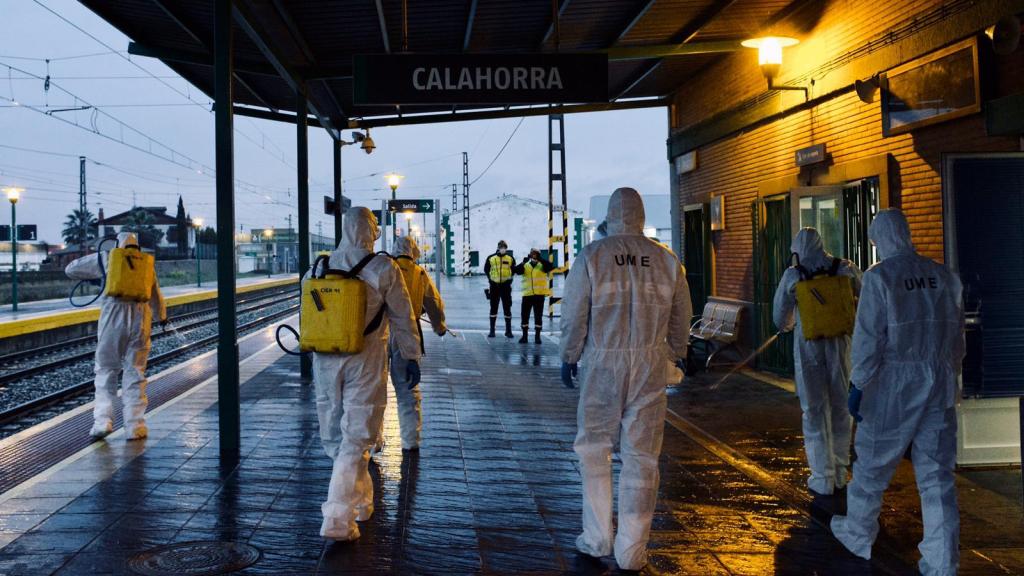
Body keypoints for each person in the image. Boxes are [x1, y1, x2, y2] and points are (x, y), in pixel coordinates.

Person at [560, 188, 692, 571]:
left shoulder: (592, 257)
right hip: (650, 363)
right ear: (640, 214)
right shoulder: (667, 261)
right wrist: (676, 352)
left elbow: (574, 314)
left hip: (602, 363)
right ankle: (632, 550)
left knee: (593, 449)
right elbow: (682, 316)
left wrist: (569, 355)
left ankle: (597, 537)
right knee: (642, 457)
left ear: (611, 216)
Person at [831, 209, 965, 575]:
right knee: (937, 474)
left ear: (882, 239)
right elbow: (957, 336)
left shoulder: (880, 278)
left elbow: (869, 341)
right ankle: (942, 561)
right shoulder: (942, 275)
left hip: (894, 382)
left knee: (873, 460)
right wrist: (951, 373)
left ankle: (858, 533)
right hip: (938, 379)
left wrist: (858, 385)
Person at [309, 207, 422, 542]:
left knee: (336, 435)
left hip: (326, 359)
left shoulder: (320, 264)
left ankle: (360, 503)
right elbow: (403, 316)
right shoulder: (383, 266)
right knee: (357, 436)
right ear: (371, 230)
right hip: (366, 357)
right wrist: (412, 355)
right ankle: (338, 518)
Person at [772, 228, 862, 495]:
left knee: (813, 408)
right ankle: (840, 471)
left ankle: (821, 477)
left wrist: (787, 326)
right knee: (840, 405)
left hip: (809, 344)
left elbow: (780, 317)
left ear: (798, 249)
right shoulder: (845, 268)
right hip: (841, 343)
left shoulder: (793, 274)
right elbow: (868, 296)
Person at [65, 232, 166, 440]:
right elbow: (156, 295)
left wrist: (101, 271)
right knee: (136, 372)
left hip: (113, 314)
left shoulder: (107, 257)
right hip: (140, 317)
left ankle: (103, 422)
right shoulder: (145, 263)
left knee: (106, 369)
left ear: (118, 244)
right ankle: (135, 426)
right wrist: (161, 317)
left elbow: (71, 269)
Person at [386, 235, 447, 451]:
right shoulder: (419, 273)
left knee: (371, 390)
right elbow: (434, 303)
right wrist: (439, 327)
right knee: (407, 390)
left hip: (380, 335)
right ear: (414, 251)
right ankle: (410, 441)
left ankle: (372, 441)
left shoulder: (384, 268)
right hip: (407, 334)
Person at [512, 248, 554, 343]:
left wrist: (541, 259)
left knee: (538, 316)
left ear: (538, 255)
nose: (534, 256)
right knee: (524, 316)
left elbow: (550, 267)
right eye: (532, 254)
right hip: (527, 295)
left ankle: (537, 337)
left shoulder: (542, 265)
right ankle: (524, 336)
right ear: (530, 255)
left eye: (536, 254)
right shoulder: (526, 265)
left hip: (539, 295)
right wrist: (522, 263)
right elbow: (516, 271)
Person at [484, 239, 515, 338]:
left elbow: (513, 270)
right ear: (498, 247)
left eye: (504, 247)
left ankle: (508, 331)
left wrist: (509, 280)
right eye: (501, 247)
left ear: (506, 248)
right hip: (494, 287)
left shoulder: (510, 258)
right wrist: (491, 280)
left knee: (507, 308)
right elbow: (486, 270)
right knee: (493, 308)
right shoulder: (491, 258)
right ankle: (492, 330)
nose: (503, 249)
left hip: (506, 287)